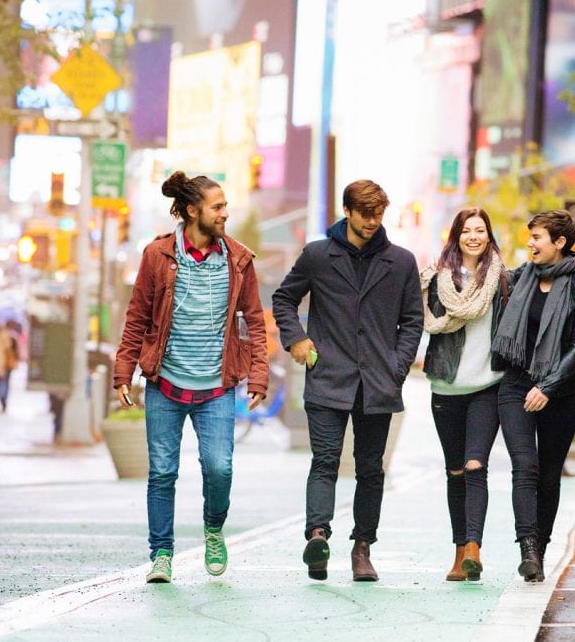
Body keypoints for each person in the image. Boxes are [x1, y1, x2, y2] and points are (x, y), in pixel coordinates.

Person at [113, 171, 269, 585]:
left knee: (219, 469)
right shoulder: (157, 256)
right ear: (191, 211)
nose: (225, 213)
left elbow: (254, 320)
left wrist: (258, 374)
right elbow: (137, 317)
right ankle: (161, 554)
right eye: (217, 207)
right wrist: (123, 371)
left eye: (225, 206)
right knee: (162, 472)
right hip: (165, 383)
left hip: (217, 387)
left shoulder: (238, 259)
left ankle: (213, 529)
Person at [272, 180, 423, 582]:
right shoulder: (318, 256)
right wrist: (297, 339)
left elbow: (412, 321)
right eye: (365, 213)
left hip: (379, 381)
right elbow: (284, 298)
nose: (373, 221)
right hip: (328, 376)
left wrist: (398, 365)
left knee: (371, 469)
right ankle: (317, 537)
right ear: (347, 211)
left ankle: (362, 549)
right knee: (324, 461)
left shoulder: (401, 261)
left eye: (378, 214)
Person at [492, 210, 575, 583]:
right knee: (526, 468)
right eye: (530, 236)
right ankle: (528, 549)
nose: (530, 243)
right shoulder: (516, 280)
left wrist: (547, 387)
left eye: (537, 237)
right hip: (516, 386)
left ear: (560, 243)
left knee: (549, 478)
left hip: (560, 393)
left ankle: (542, 545)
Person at [420, 207, 510, 582]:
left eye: (480, 230)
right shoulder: (435, 279)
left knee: (476, 466)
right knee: (455, 471)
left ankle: (474, 546)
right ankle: (460, 553)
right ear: (455, 235)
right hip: (445, 386)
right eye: (466, 230)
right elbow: (417, 320)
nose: (474, 236)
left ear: (489, 235)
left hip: (487, 385)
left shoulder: (503, 280)